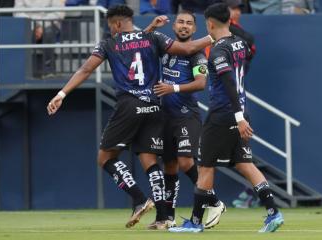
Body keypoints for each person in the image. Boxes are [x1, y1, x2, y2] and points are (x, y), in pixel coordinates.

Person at [46, 4, 213, 230]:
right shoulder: (152, 37)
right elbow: (185, 48)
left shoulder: (109, 43)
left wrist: (61, 93)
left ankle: (138, 198)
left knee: (105, 158)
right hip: (155, 107)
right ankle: (164, 217)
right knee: (149, 160)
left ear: (116, 24)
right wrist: (214, 36)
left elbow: (86, 69)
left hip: (129, 105)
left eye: (110, 26)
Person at [169, 3, 284, 233]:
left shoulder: (220, 50)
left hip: (223, 114)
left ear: (210, 23)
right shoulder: (239, 43)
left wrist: (238, 117)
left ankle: (195, 222)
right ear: (230, 21)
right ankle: (273, 213)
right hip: (240, 110)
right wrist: (241, 115)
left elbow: (229, 82)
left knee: (205, 167)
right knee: (245, 164)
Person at [150, 10, 208, 227]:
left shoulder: (197, 55)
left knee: (185, 162)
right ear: (174, 27)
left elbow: (201, 83)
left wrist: (172, 88)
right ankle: (168, 217)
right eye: (181, 22)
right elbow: (142, 41)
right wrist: (153, 27)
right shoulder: (164, 48)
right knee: (170, 167)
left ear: (194, 29)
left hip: (186, 116)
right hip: (164, 118)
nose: (184, 26)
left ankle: (212, 200)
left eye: (189, 23)